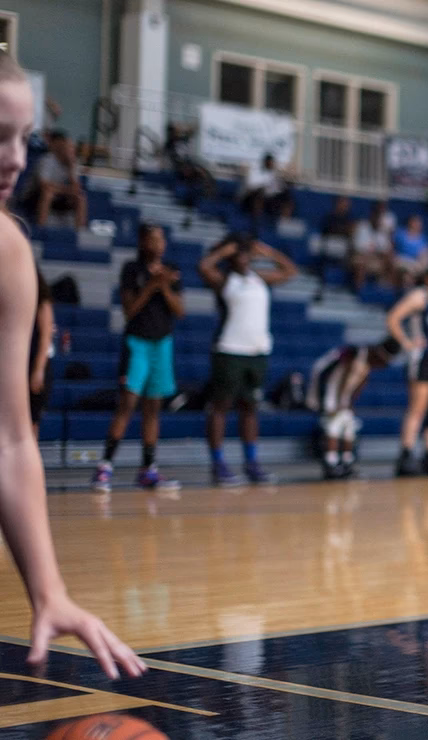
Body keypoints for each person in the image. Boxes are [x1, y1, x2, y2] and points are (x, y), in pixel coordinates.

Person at [0, 48, 146, 681]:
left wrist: (48, 590)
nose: (14, 157)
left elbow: (10, 439)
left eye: (23, 138)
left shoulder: (8, 252)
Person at [198, 233, 298, 486]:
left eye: (246, 253)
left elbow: (291, 271)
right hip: (229, 351)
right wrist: (223, 250)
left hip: (257, 353)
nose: (244, 257)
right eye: (239, 253)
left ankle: (251, 463)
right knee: (221, 408)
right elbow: (203, 267)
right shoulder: (225, 280)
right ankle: (218, 463)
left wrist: (266, 250)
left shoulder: (258, 278)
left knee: (250, 409)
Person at [91, 224, 185, 493]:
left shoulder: (171, 270)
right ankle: (105, 466)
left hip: (162, 344)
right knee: (128, 403)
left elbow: (180, 311)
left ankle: (148, 469)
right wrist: (152, 285)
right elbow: (129, 309)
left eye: (162, 237)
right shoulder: (132, 269)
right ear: (143, 242)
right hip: (138, 343)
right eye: (153, 238)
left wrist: (165, 287)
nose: (159, 243)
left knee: (153, 408)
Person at [386, 264, 428, 477]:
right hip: (421, 359)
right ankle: (406, 456)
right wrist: (407, 342)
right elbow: (393, 317)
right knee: (418, 408)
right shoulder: (419, 297)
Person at [306, 338, 400, 479]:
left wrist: (349, 403)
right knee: (333, 425)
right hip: (330, 388)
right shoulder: (355, 353)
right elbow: (336, 375)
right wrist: (337, 402)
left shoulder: (367, 363)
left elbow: (358, 385)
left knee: (348, 426)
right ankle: (330, 463)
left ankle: (346, 463)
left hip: (342, 395)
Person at [23, 129, 87, 230]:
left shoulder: (72, 164)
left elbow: (76, 188)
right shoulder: (47, 160)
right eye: (67, 147)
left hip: (58, 193)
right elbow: (44, 185)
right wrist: (66, 190)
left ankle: (80, 232)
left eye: (71, 148)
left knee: (80, 198)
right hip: (34, 195)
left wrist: (70, 169)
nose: (69, 150)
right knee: (48, 193)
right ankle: (41, 230)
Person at [240, 152, 294, 229]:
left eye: (272, 163)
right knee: (259, 194)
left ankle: (284, 222)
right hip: (251, 197)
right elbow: (251, 187)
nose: (271, 164)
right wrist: (264, 187)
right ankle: (256, 222)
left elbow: (279, 187)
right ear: (265, 162)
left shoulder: (274, 174)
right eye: (270, 163)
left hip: (269, 198)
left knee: (286, 195)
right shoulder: (255, 172)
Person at [351, 200, 395, 288]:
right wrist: (373, 252)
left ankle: (385, 290)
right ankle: (359, 291)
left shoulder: (382, 231)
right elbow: (357, 248)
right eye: (376, 217)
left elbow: (386, 249)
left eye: (379, 218)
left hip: (375, 259)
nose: (377, 220)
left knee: (390, 262)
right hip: (360, 257)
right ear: (371, 216)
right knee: (360, 264)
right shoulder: (362, 227)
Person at [30, 269, 53, 435]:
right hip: (16, 364)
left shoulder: (42, 302)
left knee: (31, 422)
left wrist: (38, 370)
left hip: (34, 363)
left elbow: (46, 338)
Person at [393, 214, 428, 289]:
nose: (417, 225)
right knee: (407, 271)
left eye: (419, 223)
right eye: (415, 222)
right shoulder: (400, 233)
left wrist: (423, 263)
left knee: (412, 273)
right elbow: (392, 248)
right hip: (400, 259)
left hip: (414, 264)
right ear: (410, 222)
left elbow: (424, 254)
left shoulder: (423, 239)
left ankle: (410, 289)